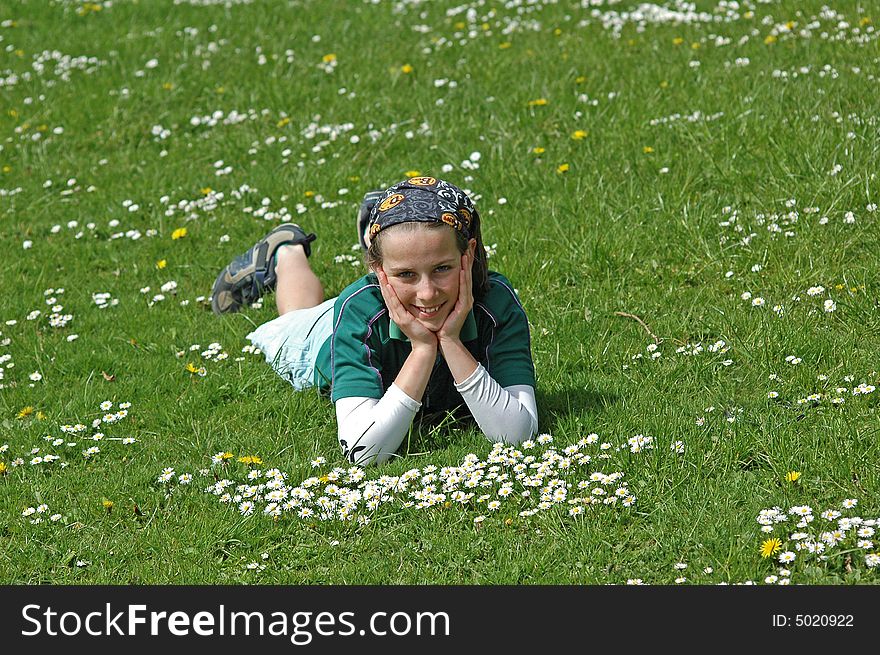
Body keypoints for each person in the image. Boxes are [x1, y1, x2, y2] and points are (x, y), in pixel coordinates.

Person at [211, 176, 538, 465]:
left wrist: (450, 341)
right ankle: (286, 252)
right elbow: (363, 451)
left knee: (408, 280)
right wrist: (424, 348)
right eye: (406, 274)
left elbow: (518, 435)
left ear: (468, 254)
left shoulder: (495, 302)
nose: (427, 293)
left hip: (388, 302)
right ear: (378, 271)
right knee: (295, 317)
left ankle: (384, 234)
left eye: (442, 268)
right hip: (324, 336)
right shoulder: (358, 310)